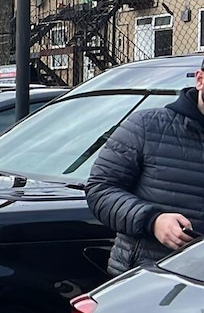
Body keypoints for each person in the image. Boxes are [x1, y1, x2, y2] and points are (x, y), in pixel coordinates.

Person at [86, 63, 204, 275]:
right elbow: (100, 190)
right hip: (146, 281)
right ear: (200, 79)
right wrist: (153, 220)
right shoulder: (146, 126)